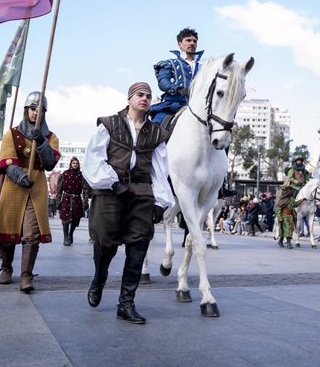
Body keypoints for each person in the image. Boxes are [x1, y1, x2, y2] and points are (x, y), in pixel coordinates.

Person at [83, 82, 174, 324]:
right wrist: (113, 183)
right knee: (104, 243)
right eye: (139, 95)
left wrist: (160, 201)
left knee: (139, 246)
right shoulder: (109, 124)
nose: (144, 99)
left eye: (148, 96)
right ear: (129, 98)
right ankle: (99, 278)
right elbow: (94, 158)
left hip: (142, 193)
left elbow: (160, 169)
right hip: (111, 191)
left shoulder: (156, 133)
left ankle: (126, 303)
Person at [148, 27, 236, 199]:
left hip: (200, 110)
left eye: (194, 41)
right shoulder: (168, 63)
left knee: (223, 134)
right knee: (157, 127)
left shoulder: (205, 68)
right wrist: (176, 88)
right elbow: (163, 83)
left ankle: (221, 182)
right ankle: (148, 171)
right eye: (188, 40)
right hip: (174, 104)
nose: (192, 43)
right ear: (180, 44)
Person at [0, 92, 61, 293]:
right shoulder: (11, 134)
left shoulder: (51, 137)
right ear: (26, 110)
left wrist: (42, 144)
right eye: (32, 108)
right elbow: (7, 160)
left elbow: (49, 163)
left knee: (31, 234)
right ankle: (6, 267)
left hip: (36, 188)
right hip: (14, 187)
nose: (35, 112)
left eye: (40, 109)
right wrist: (19, 176)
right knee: (8, 231)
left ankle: (26, 276)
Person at [274, 155, 310, 249]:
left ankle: (282, 241)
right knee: (286, 228)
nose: (299, 162)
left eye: (300, 160)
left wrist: (307, 184)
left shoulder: (304, 170)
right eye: (297, 160)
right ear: (295, 161)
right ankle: (287, 242)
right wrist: (295, 181)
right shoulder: (292, 170)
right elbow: (289, 178)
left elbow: (307, 178)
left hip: (302, 186)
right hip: (293, 187)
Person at [55, 157, 90, 246]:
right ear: (70, 164)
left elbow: (85, 190)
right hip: (66, 199)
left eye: (76, 163)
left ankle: (71, 234)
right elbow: (59, 190)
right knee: (65, 219)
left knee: (75, 219)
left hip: (77, 199)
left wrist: (85, 201)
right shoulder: (64, 175)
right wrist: (58, 201)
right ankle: (66, 237)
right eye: (73, 163)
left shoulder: (81, 176)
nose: (75, 165)